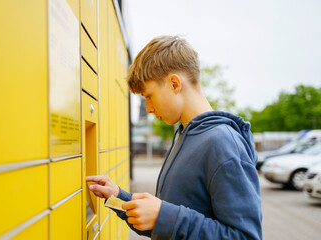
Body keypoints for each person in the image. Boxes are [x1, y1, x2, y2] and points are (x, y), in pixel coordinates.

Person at [86, 35, 262, 239]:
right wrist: (118, 197)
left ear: (174, 84)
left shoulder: (222, 143)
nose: (149, 108)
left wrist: (164, 216)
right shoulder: (185, 135)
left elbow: (246, 236)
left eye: (148, 96)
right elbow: (168, 226)